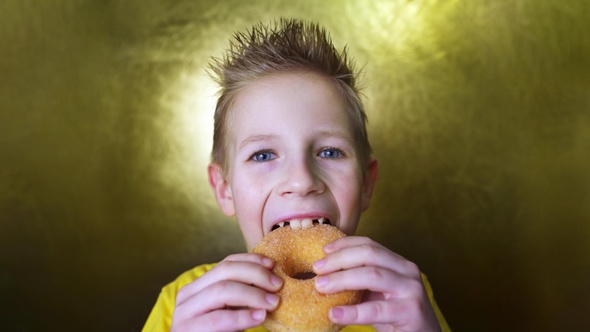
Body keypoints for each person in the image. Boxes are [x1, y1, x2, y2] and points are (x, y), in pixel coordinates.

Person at [143, 18, 450, 332]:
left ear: (366, 183)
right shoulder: (184, 305)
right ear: (224, 189)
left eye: (329, 152)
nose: (302, 181)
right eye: (263, 155)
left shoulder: (398, 297)